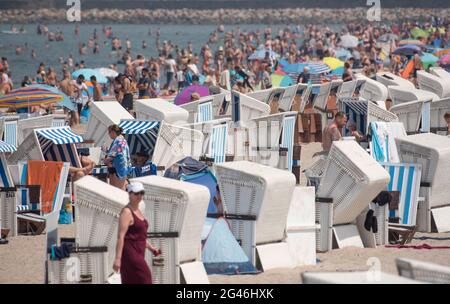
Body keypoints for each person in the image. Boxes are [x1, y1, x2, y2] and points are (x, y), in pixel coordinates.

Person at [113, 182, 160, 284]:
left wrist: (151, 248)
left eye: (142, 193)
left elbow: (139, 236)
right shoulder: (127, 212)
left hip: (139, 251)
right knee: (146, 278)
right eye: (136, 193)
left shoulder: (138, 210)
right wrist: (117, 259)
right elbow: (121, 237)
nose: (140, 196)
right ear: (129, 194)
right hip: (130, 253)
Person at [104, 124, 131, 190]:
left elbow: (113, 154)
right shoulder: (122, 141)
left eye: (109, 132)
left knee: (118, 191)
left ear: (113, 132)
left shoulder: (118, 141)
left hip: (118, 169)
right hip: (121, 168)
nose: (108, 134)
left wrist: (106, 160)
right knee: (118, 189)